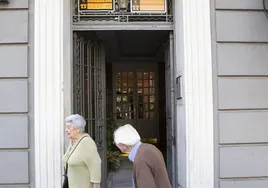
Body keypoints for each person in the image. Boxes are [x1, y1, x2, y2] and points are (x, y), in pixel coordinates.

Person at [113, 124, 172, 188]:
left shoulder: (140, 159)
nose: (116, 145)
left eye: (116, 143)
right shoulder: (150, 148)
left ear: (124, 145)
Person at [62, 114, 101, 188]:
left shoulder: (87, 142)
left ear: (77, 129)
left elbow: (95, 164)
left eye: (68, 127)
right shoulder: (73, 141)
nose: (66, 130)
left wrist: (96, 184)